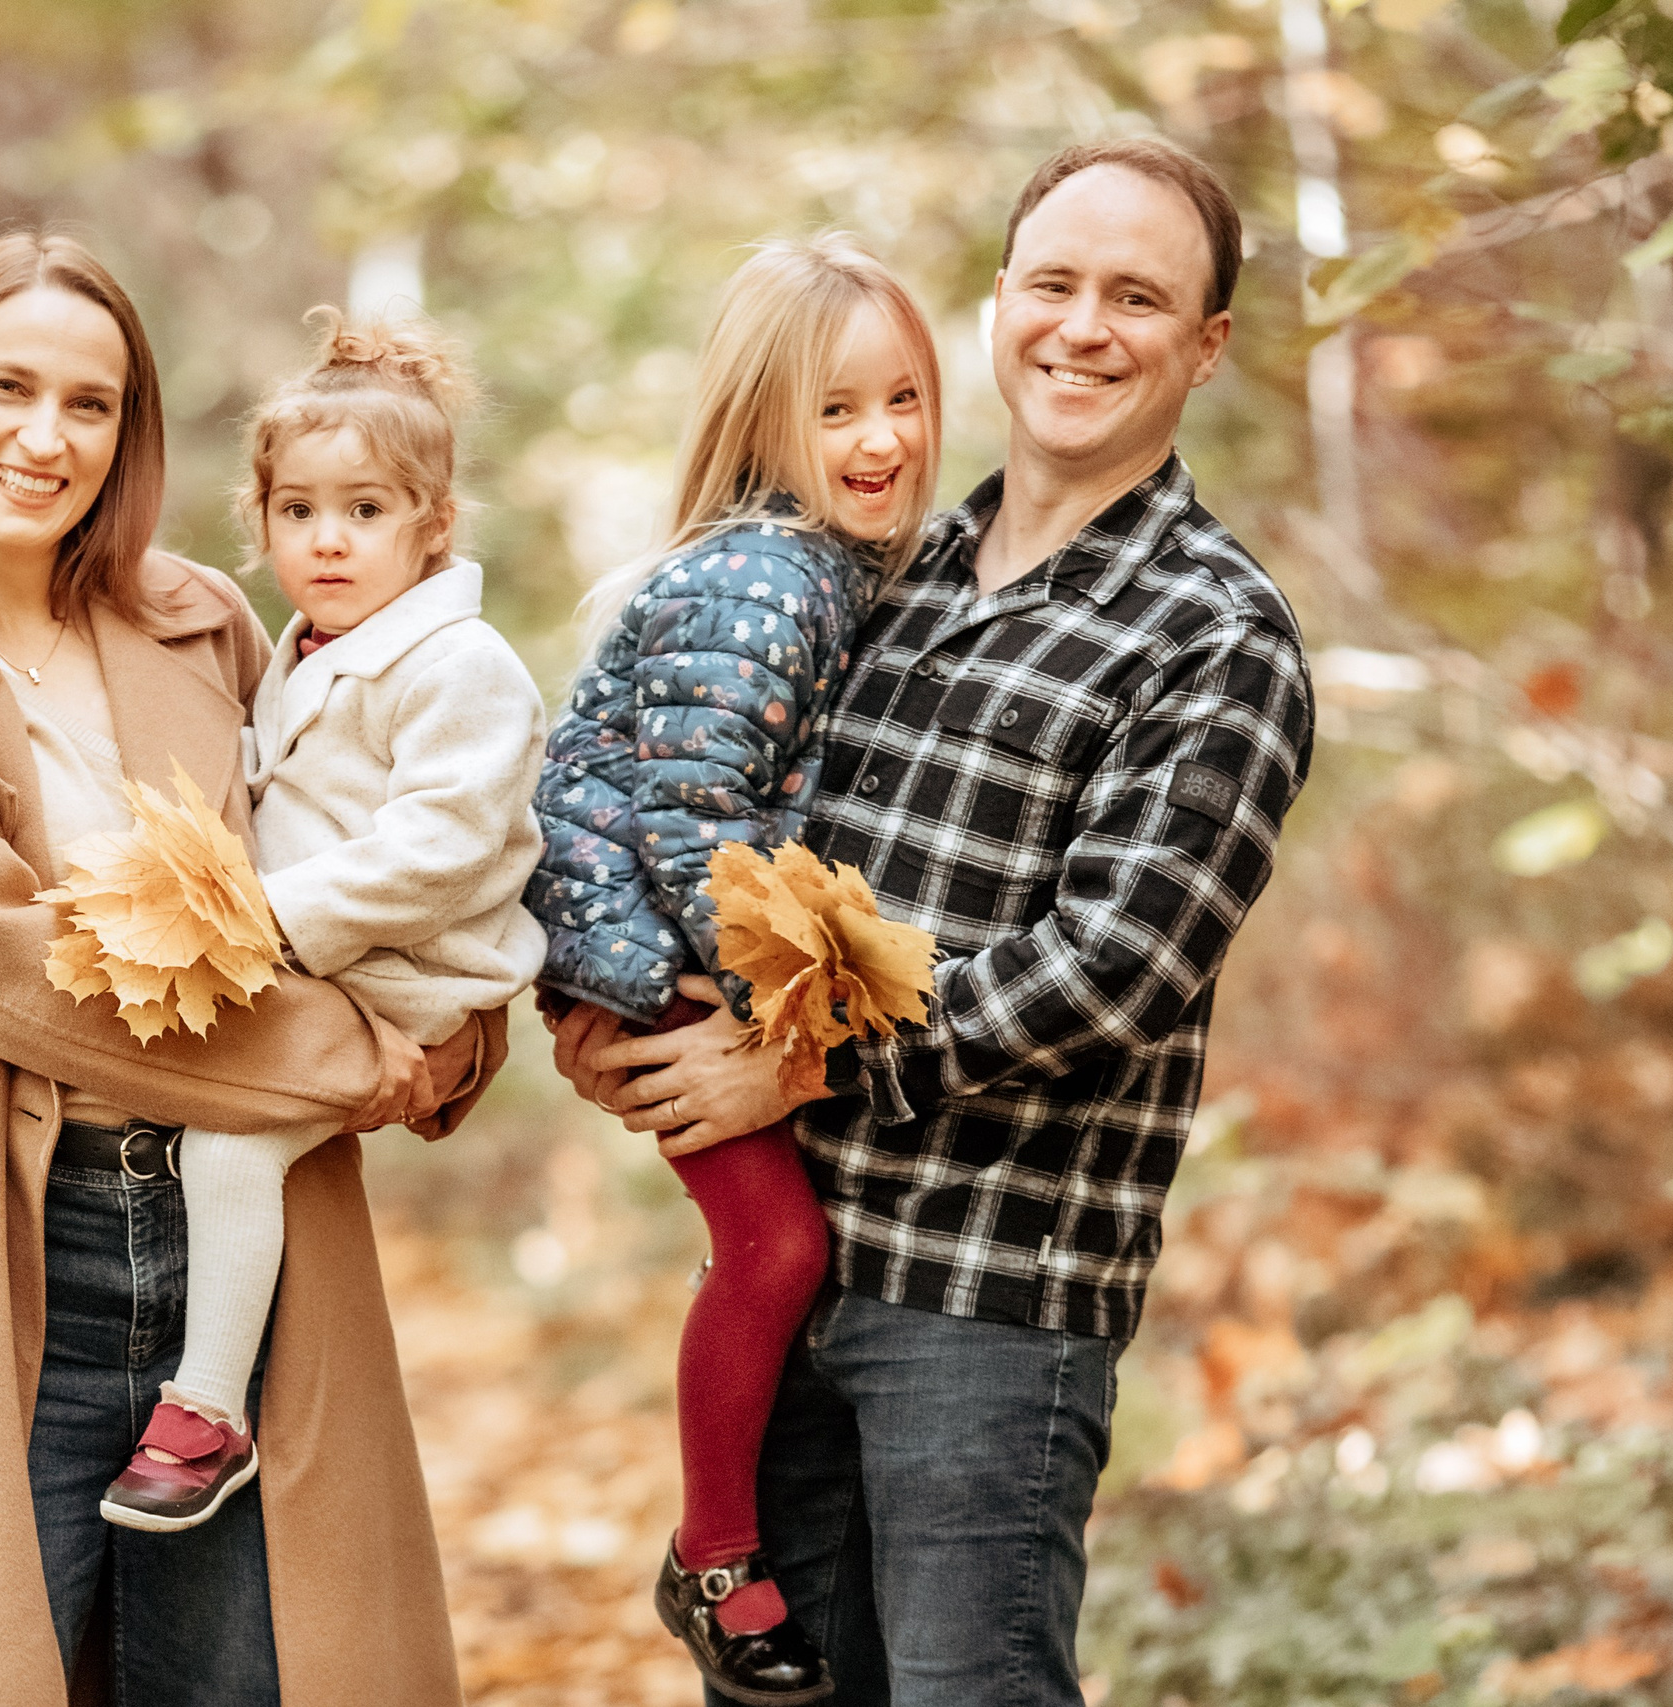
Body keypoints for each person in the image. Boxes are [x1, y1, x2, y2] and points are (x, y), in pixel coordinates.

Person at [558, 138, 1317, 1706]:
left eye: (1137, 296)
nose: (1083, 326)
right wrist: (623, 1009)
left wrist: (798, 1064)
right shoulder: (882, 574)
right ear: (999, 305)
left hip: (985, 1305)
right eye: (1054, 284)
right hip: (795, 1274)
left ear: (1206, 344)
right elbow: (717, 830)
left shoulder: (1213, 633)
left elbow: (1114, 966)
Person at [0, 231, 497, 1707]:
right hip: (10, 1250)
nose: (46, 436)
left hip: (245, 1240)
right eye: (9, 388)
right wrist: (356, 1056)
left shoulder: (207, 620)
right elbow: (8, 973)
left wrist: (464, 1030)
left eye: (89, 404)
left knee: (245, 1675)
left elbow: (361, 836)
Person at [529, 232, 941, 1705]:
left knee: (779, 1251)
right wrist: (779, 1006)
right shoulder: (775, 574)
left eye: (904, 397)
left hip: (636, 924)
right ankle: (713, 1554)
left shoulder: (820, 562)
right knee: (777, 1250)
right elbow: (695, 809)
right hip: (646, 940)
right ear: (768, 420)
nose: (882, 437)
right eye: (837, 409)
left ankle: (726, 1533)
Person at [98, 310, 547, 1532]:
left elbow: (441, 846)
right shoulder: (300, 649)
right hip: (329, 955)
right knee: (202, 1120)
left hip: (410, 964)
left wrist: (263, 921)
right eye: (298, 512)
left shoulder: (461, 665)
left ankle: (208, 1413)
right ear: (261, 523)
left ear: (433, 524)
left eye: (364, 512)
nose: (328, 542)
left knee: (230, 1145)